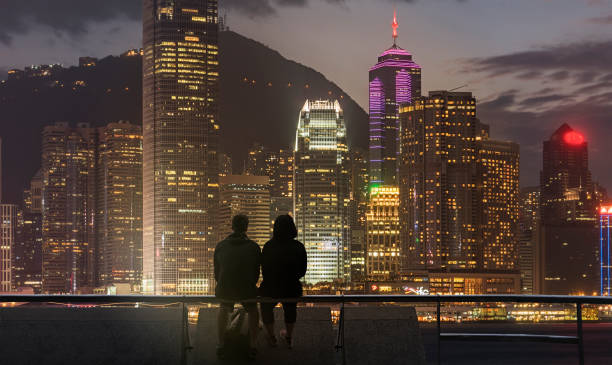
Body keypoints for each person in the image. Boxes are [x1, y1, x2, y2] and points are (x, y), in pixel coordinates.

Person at [214, 214, 262, 359]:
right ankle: (253, 345)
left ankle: (221, 343)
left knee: (224, 307)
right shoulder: (253, 247)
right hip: (246, 288)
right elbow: (256, 272)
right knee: (253, 311)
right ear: (246, 227)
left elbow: (217, 272)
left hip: (225, 288)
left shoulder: (221, 246)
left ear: (232, 226)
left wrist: (223, 283)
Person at [259, 214, 307, 349]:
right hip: (292, 287)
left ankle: (271, 336)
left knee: (266, 307)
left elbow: (265, 270)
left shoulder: (268, 246)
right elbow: (302, 271)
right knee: (290, 308)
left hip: (270, 287)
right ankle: (289, 337)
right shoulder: (299, 246)